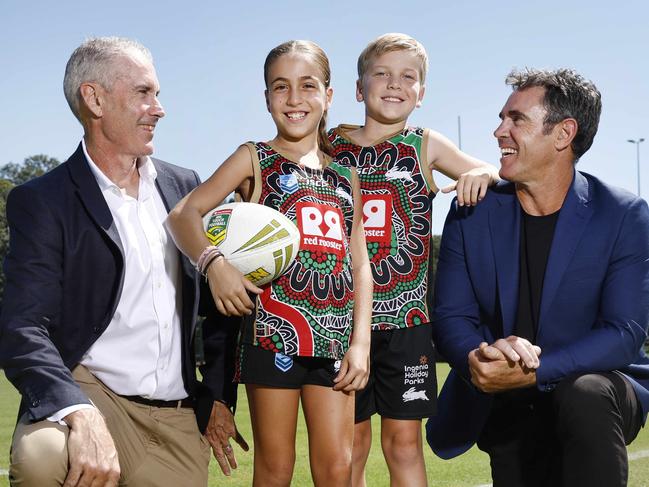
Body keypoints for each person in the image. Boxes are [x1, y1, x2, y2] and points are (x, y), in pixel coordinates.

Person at [0, 37, 246, 487]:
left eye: (158, 94)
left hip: (173, 415)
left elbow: (217, 309)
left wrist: (216, 394)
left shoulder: (185, 188)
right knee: (42, 457)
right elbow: (21, 326)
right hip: (92, 392)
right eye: (143, 93)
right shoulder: (43, 201)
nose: (159, 108)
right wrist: (78, 411)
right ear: (93, 99)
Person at [426, 68, 649, 487]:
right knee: (513, 430)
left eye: (516, 119)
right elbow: (452, 316)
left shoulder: (622, 214)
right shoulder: (471, 211)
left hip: (599, 388)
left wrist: (535, 369)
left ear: (563, 134)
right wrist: (481, 356)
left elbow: (623, 332)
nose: (498, 131)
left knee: (583, 394)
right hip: (505, 397)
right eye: (501, 118)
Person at [167, 40, 373, 487]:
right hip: (271, 338)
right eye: (281, 87)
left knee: (338, 469)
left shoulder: (346, 176)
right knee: (275, 470)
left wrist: (362, 343)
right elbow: (182, 215)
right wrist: (214, 263)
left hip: (336, 343)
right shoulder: (253, 158)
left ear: (329, 95)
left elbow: (361, 266)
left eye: (307, 86)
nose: (294, 99)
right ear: (266, 98)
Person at [327, 33, 499, 487]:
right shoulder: (330, 146)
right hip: (343, 320)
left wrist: (482, 170)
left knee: (403, 442)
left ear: (421, 94)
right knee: (351, 444)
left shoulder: (426, 144)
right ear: (358, 88)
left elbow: (493, 172)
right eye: (381, 73)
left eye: (408, 77)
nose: (394, 84)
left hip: (407, 321)